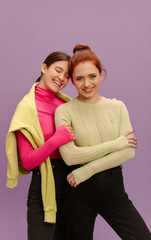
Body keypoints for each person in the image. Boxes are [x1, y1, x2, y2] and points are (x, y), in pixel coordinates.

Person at [55, 44, 151, 240]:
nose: (87, 84)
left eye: (92, 76)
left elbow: (128, 152)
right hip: (78, 196)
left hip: (113, 193)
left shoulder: (118, 107)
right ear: (71, 80)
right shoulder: (64, 111)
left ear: (101, 74)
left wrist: (86, 170)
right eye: (79, 78)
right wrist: (117, 143)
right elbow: (70, 156)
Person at [6, 51, 75, 240]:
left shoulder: (65, 104)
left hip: (71, 181)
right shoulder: (27, 108)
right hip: (45, 181)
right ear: (44, 68)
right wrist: (56, 140)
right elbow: (28, 162)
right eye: (58, 70)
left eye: (67, 75)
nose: (61, 78)